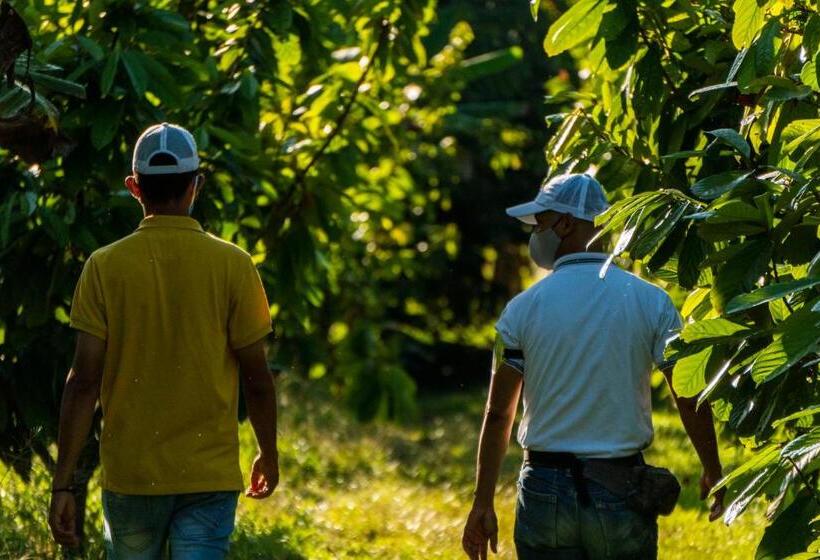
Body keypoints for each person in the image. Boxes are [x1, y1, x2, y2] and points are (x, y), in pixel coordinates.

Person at [461, 173, 725, 560]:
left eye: (540, 223)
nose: (535, 235)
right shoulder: (650, 301)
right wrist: (713, 469)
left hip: (544, 490)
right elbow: (687, 393)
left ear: (566, 224)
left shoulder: (522, 309)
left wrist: (483, 502)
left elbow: (499, 413)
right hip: (620, 486)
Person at [48, 123, 279, 558]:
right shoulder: (234, 265)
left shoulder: (104, 266)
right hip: (208, 475)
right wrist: (269, 453)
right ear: (196, 185)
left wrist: (62, 484)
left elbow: (83, 382)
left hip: (132, 478)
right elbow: (257, 377)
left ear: (134, 187)